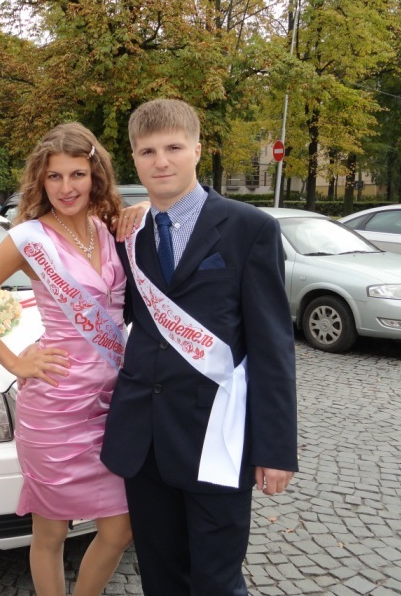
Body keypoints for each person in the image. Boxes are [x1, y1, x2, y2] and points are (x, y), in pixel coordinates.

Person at [101, 98, 298, 595]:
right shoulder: (128, 234)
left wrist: (276, 448)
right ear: (134, 158)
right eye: (147, 151)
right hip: (144, 438)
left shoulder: (250, 229)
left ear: (197, 150)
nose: (161, 161)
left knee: (217, 581)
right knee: (160, 578)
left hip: (218, 437)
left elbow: (273, 347)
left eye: (173, 147)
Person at [0, 123, 132, 596]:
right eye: (55, 176)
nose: (66, 187)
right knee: (50, 532)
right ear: (40, 180)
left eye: (77, 174)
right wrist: (15, 363)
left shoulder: (109, 229)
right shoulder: (29, 239)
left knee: (119, 529)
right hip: (57, 406)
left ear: (95, 175)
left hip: (113, 404)